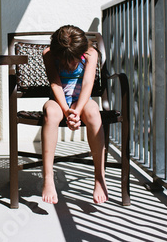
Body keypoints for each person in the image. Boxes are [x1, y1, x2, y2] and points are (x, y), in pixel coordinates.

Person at [41, 25, 108, 205]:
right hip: (58, 100)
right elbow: (55, 83)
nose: (71, 65)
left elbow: (88, 84)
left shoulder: (90, 54)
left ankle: (99, 177)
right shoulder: (48, 53)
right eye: (66, 61)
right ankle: (48, 177)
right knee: (50, 113)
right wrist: (66, 110)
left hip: (82, 100)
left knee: (94, 112)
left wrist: (77, 111)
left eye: (73, 61)